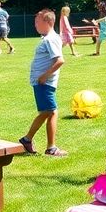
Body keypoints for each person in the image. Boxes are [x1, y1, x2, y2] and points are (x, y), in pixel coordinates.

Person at [20, 10, 68, 157]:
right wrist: (43, 76)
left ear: (47, 22)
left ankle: (28, 140)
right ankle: (46, 147)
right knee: (50, 111)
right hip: (43, 82)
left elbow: (59, 60)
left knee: (49, 112)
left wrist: (44, 76)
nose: (35, 25)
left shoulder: (50, 39)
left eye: (37, 22)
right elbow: (59, 59)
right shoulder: (49, 39)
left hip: (44, 82)